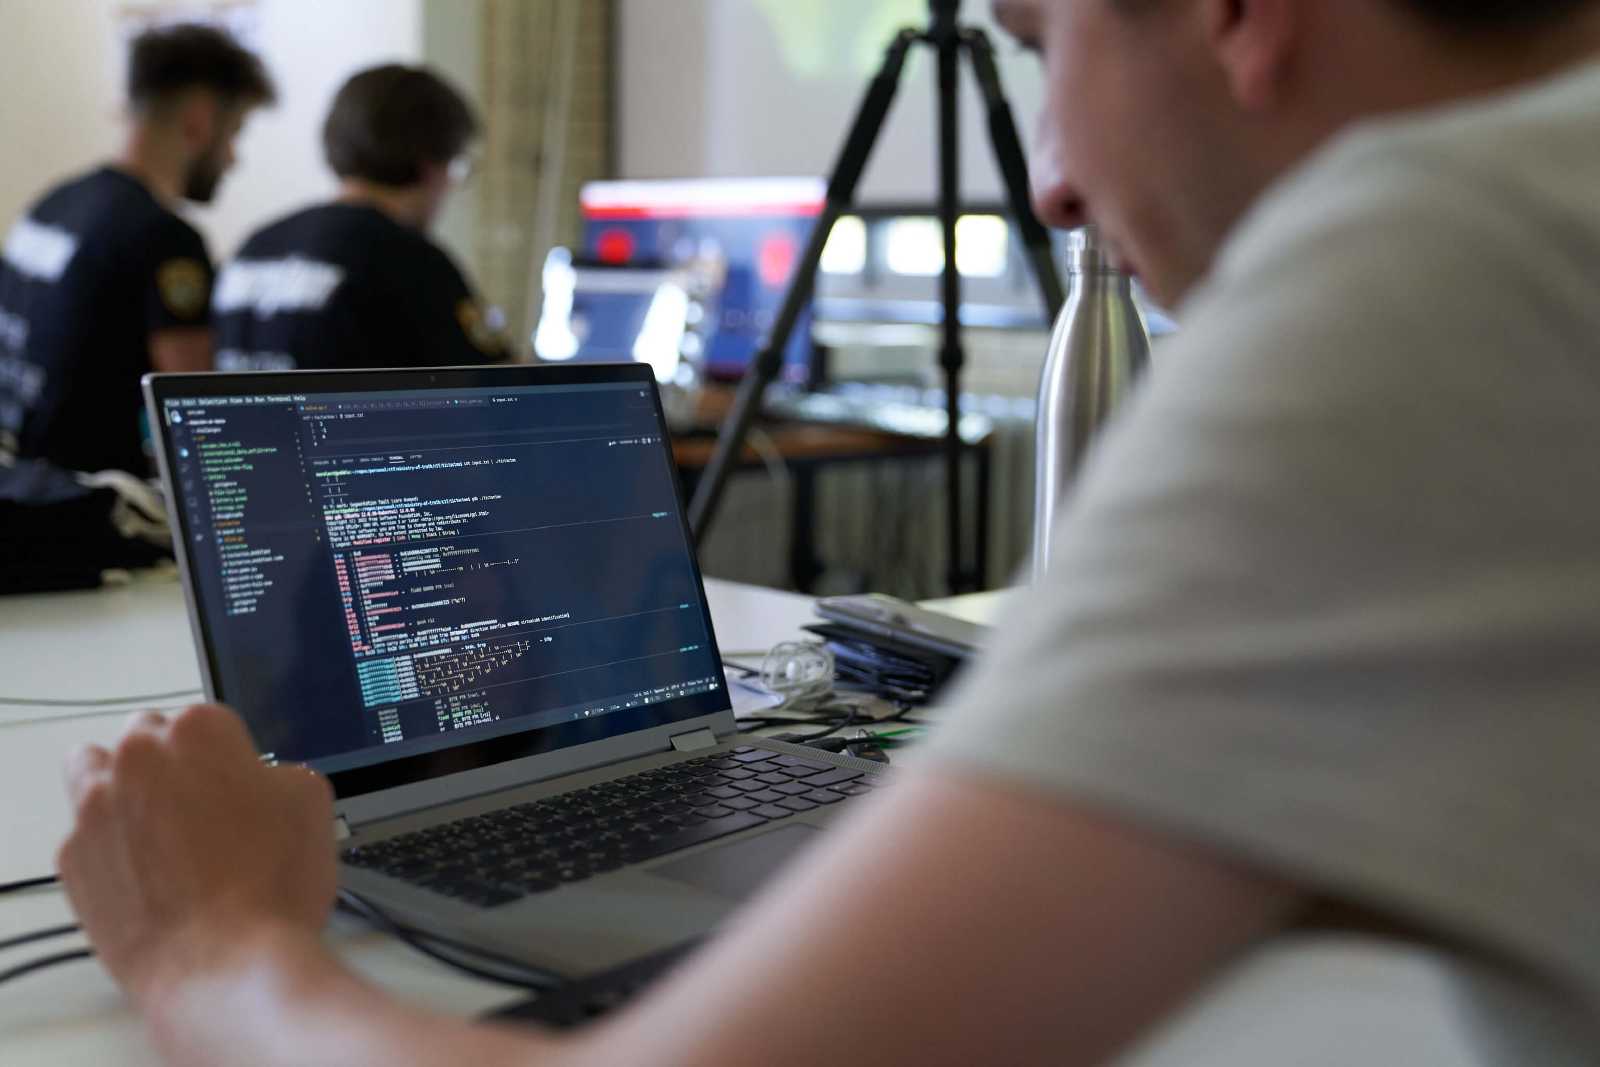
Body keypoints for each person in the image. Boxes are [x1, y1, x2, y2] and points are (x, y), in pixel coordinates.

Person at [54, 0, 1600, 1062]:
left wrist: (208, 944)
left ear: (1235, 13)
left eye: (1042, 44)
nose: (1053, 182)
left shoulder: (1445, 264)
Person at [0, 24, 273, 477]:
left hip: (18, 481)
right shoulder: (164, 239)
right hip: (87, 502)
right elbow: (204, 421)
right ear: (198, 122)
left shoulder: (55, 204)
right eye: (234, 133)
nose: (232, 158)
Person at [211, 65, 506, 371]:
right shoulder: (406, 260)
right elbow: (499, 386)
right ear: (431, 163)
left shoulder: (254, 248)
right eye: (456, 166)